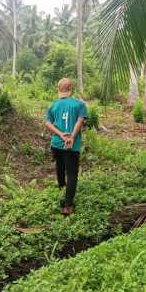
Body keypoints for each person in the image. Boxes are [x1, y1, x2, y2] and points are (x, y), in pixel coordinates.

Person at [45, 78, 88, 216]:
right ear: (71, 89)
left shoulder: (53, 105)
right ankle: (67, 206)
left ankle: (61, 188)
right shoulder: (79, 105)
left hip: (56, 144)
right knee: (72, 173)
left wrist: (61, 135)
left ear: (58, 89)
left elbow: (48, 124)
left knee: (60, 166)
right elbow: (80, 122)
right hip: (71, 146)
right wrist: (71, 137)